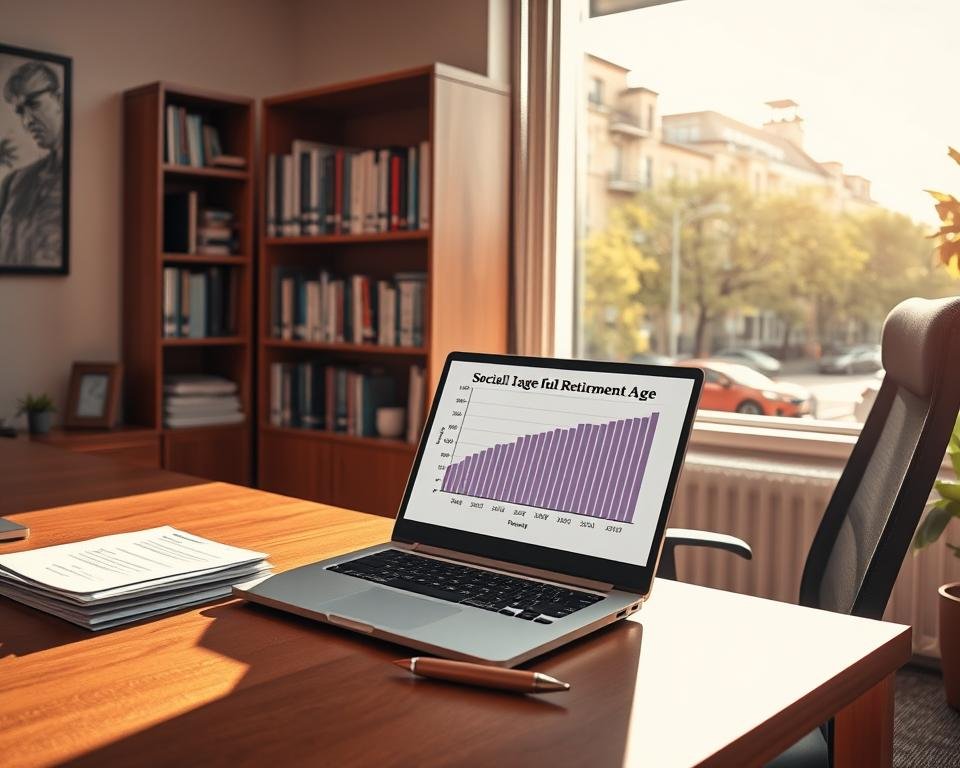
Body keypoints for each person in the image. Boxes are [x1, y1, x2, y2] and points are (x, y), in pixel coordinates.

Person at [0, 60, 64, 267]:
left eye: (34, 105)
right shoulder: (13, 183)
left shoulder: (87, 180)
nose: (27, 122)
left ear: (60, 101)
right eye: (20, 112)